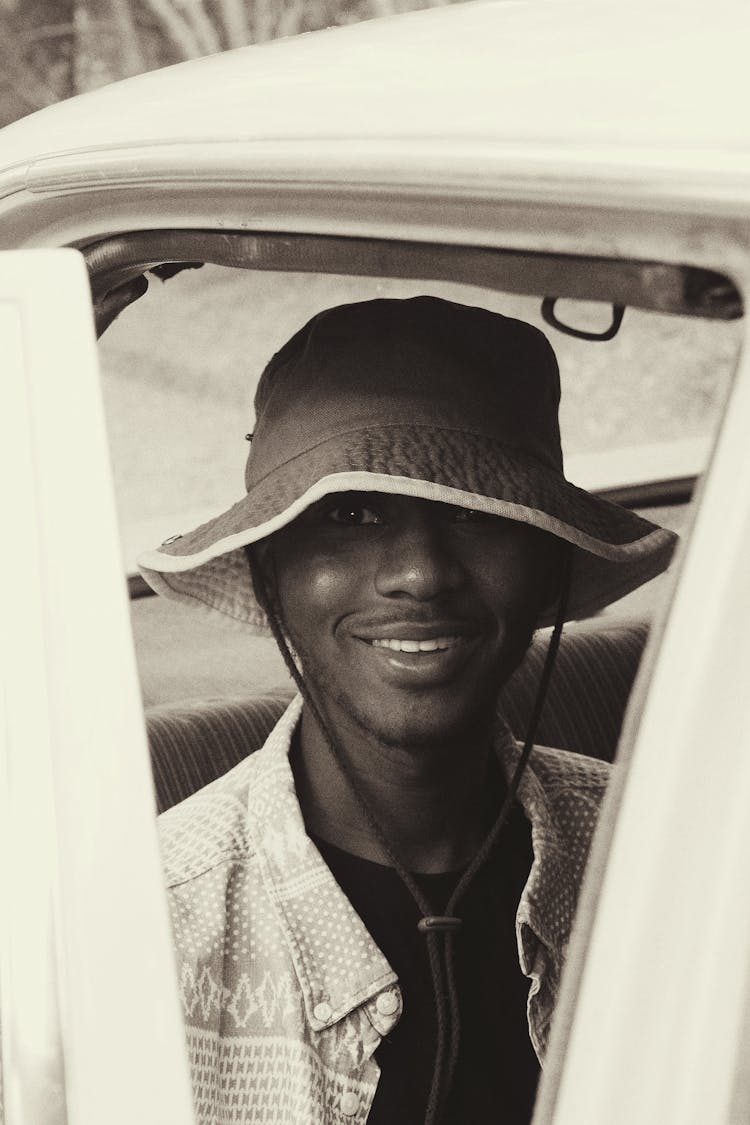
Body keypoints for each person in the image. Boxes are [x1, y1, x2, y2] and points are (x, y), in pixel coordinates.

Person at [139, 296, 676, 1125]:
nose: (421, 573)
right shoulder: (146, 932)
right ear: (269, 574)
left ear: (546, 568)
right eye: (352, 515)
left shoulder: (674, 864)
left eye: (474, 513)